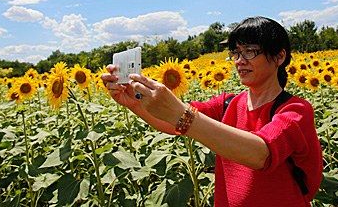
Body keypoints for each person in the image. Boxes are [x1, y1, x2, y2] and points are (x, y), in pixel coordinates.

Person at [102, 16, 323, 206]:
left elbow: (260, 154)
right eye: (236, 53)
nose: (239, 61)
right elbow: (173, 124)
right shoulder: (228, 104)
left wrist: (183, 116)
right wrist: (134, 103)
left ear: (279, 56)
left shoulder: (295, 111)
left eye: (250, 51)